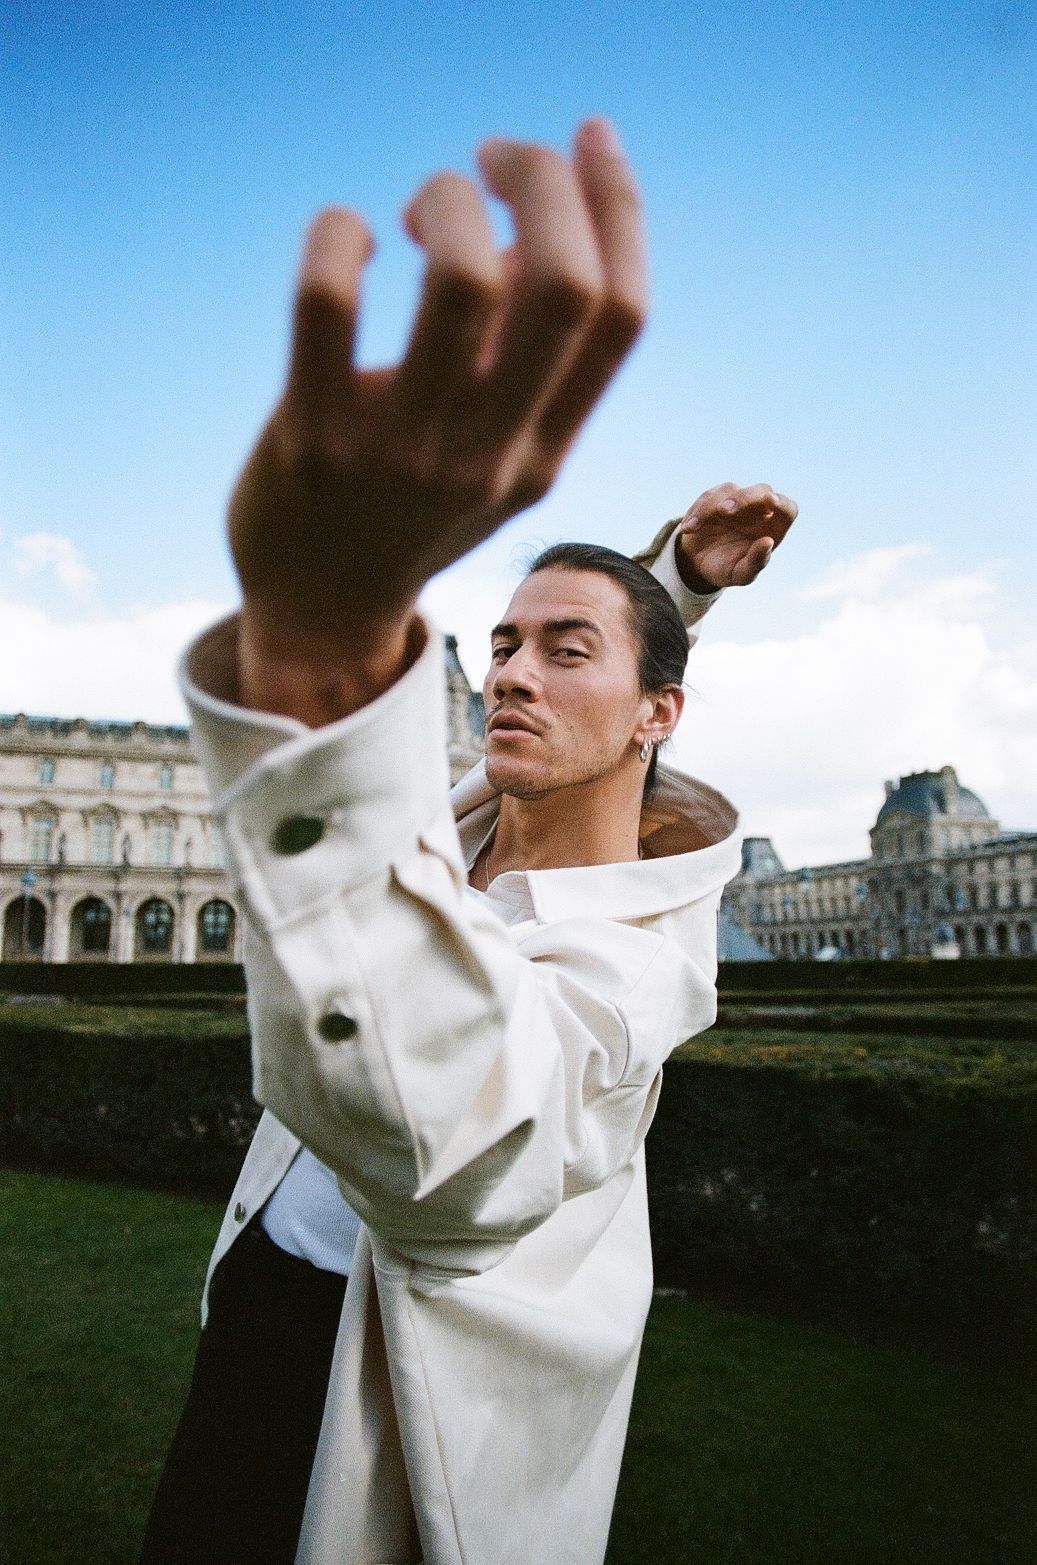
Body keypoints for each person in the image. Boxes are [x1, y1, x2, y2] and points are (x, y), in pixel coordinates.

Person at [140, 119, 796, 1565]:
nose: (505, 672)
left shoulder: (644, 971)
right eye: (495, 643)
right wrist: (670, 572)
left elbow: (449, 1138)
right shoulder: (470, 818)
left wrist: (315, 642)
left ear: (656, 717)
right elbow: (619, 681)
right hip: (255, 1311)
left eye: (555, 650)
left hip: (372, 1394)